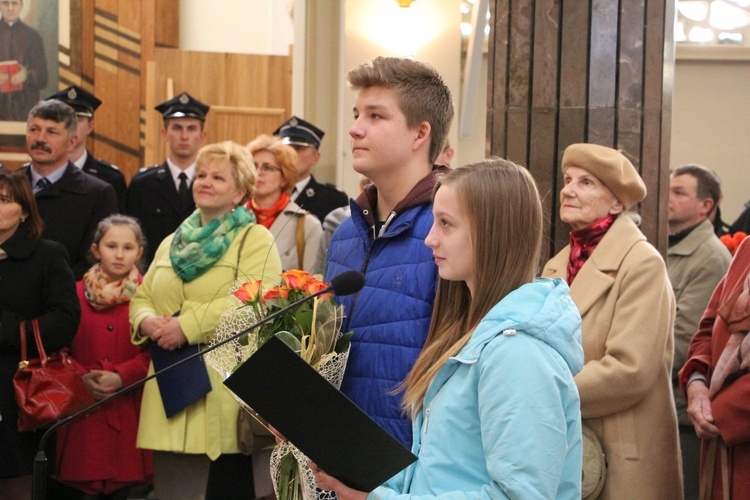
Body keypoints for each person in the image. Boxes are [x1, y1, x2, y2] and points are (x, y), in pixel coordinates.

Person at [314, 159, 584, 499]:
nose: (429, 239)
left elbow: (521, 495)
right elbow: (439, 466)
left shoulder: (518, 354)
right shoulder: (469, 331)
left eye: (445, 224)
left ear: (492, 233)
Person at [129, 141, 282, 500]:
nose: (205, 182)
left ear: (240, 191)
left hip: (224, 395)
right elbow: (142, 297)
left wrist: (186, 326)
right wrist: (147, 322)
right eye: (201, 175)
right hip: (170, 388)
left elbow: (256, 304)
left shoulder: (254, 239)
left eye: (218, 177)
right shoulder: (170, 242)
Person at [324, 56, 453, 447]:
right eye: (356, 113)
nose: (354, 128)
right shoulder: (347, 232)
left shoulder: (452, 229)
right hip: (337, 455)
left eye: (376, 116)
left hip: (410, 465)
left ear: (419, 135)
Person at [541, 143, 682, 498]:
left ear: (618, 203)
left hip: (623, 456)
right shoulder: (556, 265)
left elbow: (629, 369)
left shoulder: (641, 263)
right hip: (571, 447)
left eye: (586, 182)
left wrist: (542, 389)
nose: (568, 190)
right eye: (568, 179)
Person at [54, 215, 152, 499]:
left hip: (132, 406)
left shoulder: (149, 292)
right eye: (111, 246)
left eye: (127, 247)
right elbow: (57, 345)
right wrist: (81, 375)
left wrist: (123, 375)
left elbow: (158, 350)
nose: (119, 254)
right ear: (96, 250)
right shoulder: (72, 293)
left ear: (140, 253)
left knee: (129, 489)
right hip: (83, 410)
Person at [0, 169, 80, 499]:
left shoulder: (46, 254)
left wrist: (10, 329)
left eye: (4, 199)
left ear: (24, 209)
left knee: (15, 481)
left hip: (17, 391)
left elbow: (65, 320)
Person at [667, 163, 731, 499]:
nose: (668, 198)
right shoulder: (665, 247)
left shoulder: (711, 258)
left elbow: (686, 340)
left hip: (683, 416)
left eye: (679, 192)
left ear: (706, 205)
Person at [680, 237, 750, 499]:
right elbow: (708, 328)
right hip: (721, 457)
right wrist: (696, 382)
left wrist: (718, 411)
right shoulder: (747, 250)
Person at [19, 99, 118, 279]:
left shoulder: (97, 193)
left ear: (71, 142)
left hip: (65, 296)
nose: (40, 139)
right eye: (34, 130)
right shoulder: (10, 185)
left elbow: (94, 257)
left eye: (51, 132)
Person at [127, 92, 209, 267]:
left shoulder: (212, 184)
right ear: (164, 133)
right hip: (153, 273)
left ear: (203, 136)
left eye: (192, 128)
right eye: (177, 128)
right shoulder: (143, 184)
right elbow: (131, 237)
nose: (184, 136)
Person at [246, 134, 322, 272]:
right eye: (253, 166)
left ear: (284, 177)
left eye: (267, 168)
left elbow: (312, 284)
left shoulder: (307, 225)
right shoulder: (232, 218)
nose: (258, 172)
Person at [47, 85, 128, 212]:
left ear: (90, 126)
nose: (70, 126)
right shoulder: (36, 173)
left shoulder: (110, 178)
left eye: (77, 120)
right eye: (64, 120)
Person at [274, 116, 348, 223]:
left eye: (299, 148)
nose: (292, 154)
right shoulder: (266, 192)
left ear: (315, 158)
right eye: (286, 149)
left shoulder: (332, 200)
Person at [0, 0, 47, 121]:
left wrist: (26, 75)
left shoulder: (33, 37)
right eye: (5, 3)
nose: (10, 8)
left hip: (25, 109)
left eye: (14, 3)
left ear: (21, 6)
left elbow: (43, 78)